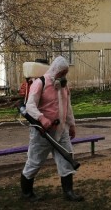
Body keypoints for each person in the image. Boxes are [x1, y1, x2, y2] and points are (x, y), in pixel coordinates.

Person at [20, 56, 83, 202]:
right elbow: (30, 106)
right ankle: (27, 193)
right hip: (42, 133)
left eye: (65, 73)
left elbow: (68, 107)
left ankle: (68, 192)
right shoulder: (40, 83)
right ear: (55, 70)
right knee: (34, 162)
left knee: (67, 160)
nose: (63, 76)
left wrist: (71, 125)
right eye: (61, 73)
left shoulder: (63, 86)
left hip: (61, 131)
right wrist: (42, 118)